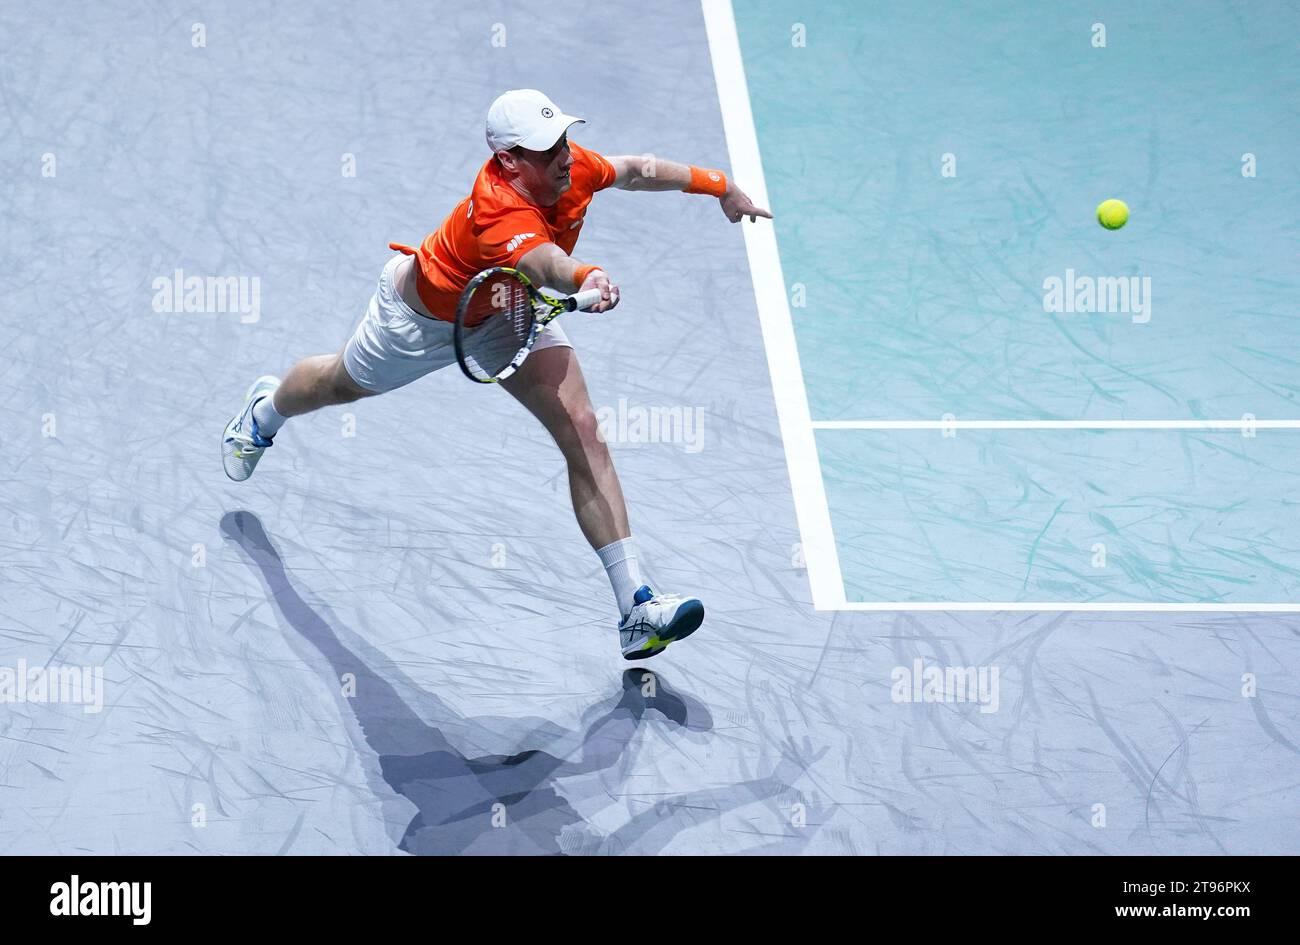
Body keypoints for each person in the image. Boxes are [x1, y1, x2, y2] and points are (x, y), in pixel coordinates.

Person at [221, 89, 772, 659]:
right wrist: (587, 272)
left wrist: (719, 184)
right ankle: (265, 411)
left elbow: (634, 171)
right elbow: (546, 265)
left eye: (562, 139)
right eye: (546, 149)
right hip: (421, 322)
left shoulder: (570, 163)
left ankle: (636, 605)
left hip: (505, 309)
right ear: (509, 159)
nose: (564, 156)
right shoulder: (499, 208)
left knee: (582, 429)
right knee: (338, 384)